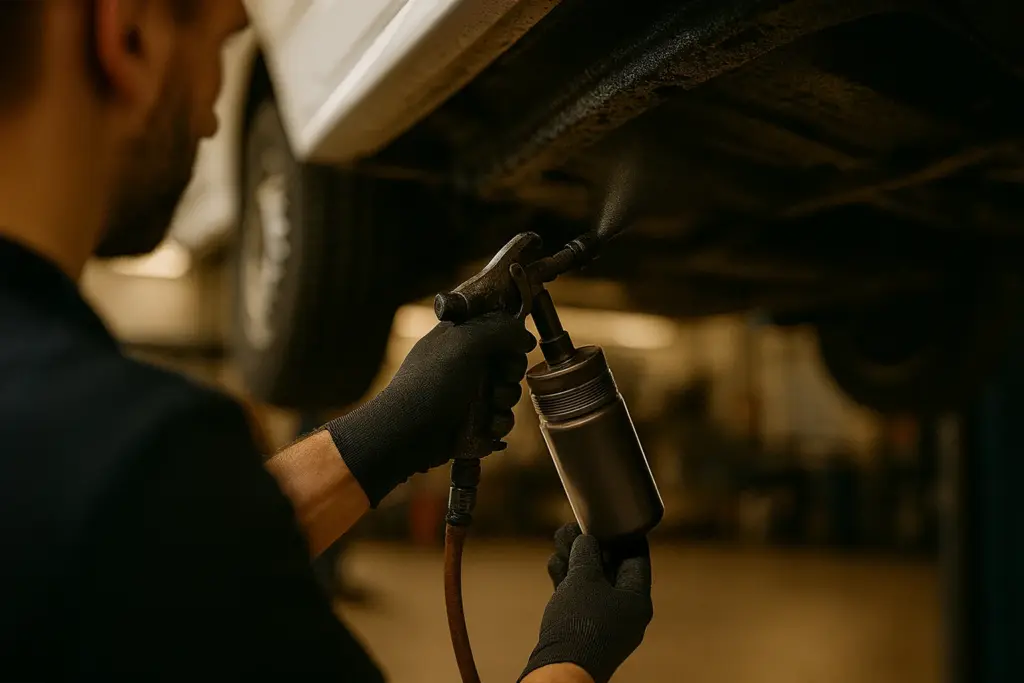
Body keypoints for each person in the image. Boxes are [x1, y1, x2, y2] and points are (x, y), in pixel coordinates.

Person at [0, 2, 654, 681]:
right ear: (129, 36)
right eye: (216, 52)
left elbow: (143, 558)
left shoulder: (70, 456)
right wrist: (570, 657)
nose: (212, 122)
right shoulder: (132, 454)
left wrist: (378, 437)